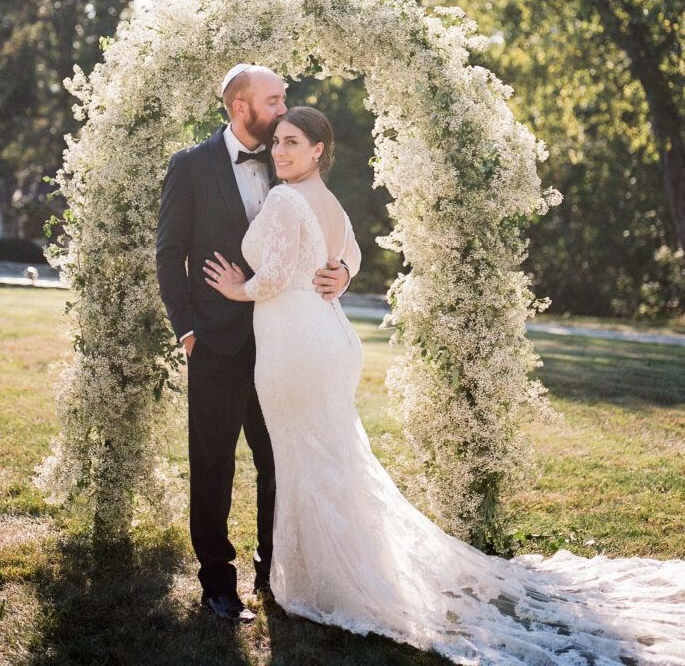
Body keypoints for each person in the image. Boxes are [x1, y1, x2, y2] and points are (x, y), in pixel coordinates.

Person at [204, 106, 685, 665]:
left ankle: (329, 582)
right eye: (277, 142)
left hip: (297, 347)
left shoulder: (287, 199)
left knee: (308, 459)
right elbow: (352, 257)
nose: (280, 151)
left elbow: (277, 275)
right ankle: (334, 572)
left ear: (318, 150)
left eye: (293, 142)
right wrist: (344, 274)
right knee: (327, 458)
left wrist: (238, 289)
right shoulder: (329, 201)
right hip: (325, 341)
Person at [156, 66, 350, 623]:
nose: (284, 106)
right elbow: (169, 256)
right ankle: (218, 583)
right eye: (274, 99)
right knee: (213, 464)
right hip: (214, 343)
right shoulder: (190, 167)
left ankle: (273, 572)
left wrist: (343, 273)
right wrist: (187, 330)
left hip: (280, 345)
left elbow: (333, 228)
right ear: (242, 108)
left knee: (279, 460)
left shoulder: (285, 157)